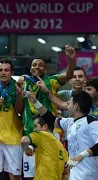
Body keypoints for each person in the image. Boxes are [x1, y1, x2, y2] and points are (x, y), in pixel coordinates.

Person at [20, 45, 75, 179]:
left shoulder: (51, 81)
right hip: (30, 130)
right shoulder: (23, 82)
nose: (37, 67)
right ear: (30, 68)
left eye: (40, 65)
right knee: (29, 173)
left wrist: (70, 59)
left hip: (49, 131)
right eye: (34, 65)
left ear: (46, 69)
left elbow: (68, 75)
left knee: (50, 169)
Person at [30, 90, 98, 180]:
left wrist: (82, 155)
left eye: (69, 103)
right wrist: (36, 102)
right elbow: (51, 119)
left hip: (90, 174)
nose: (67, 105)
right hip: (74, 173)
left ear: (76, 106)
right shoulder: (70, 122)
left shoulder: (93, 122)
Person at [0, 59, 24, 180]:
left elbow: (19, 111)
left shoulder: (17, 87)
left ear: (12, 72)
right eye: (0, 70)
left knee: (15, 175)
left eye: (6, 70)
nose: (3, 73)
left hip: (13, 137)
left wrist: (18, 94)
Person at [20, 115, 69, 180]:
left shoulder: (42, 135)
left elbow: (24, 140)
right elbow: (66, 173)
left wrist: (26, 149)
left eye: (35, 126)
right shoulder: (62, 148)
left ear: (45, 127)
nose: (34, 130)